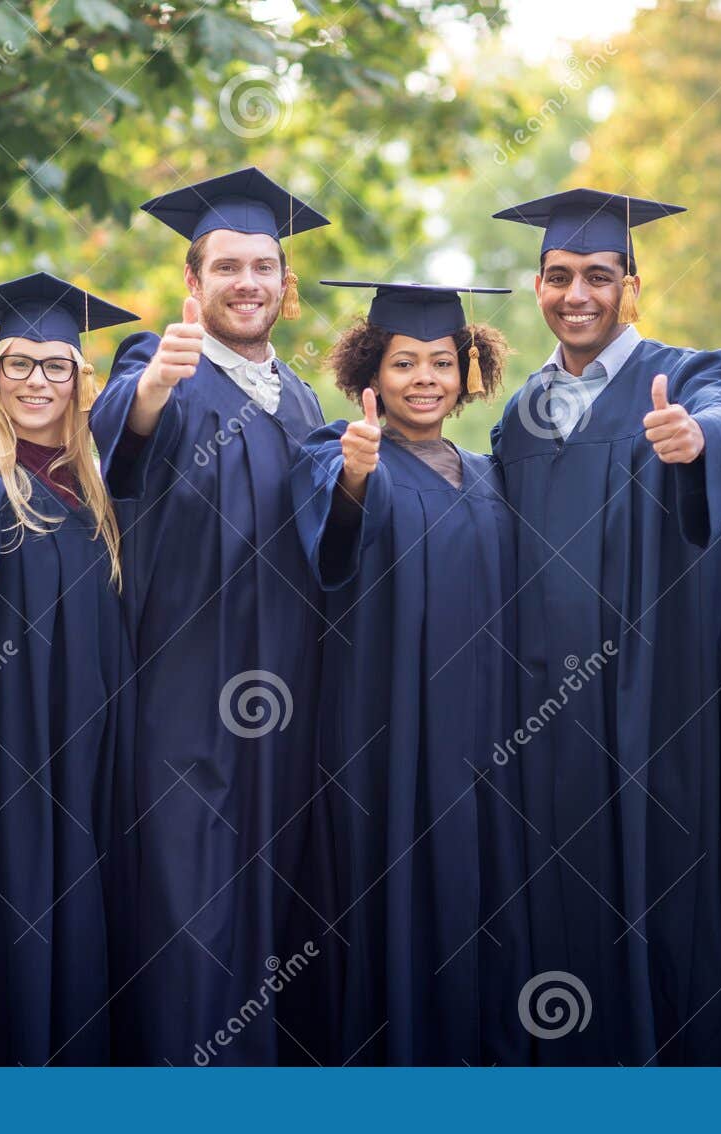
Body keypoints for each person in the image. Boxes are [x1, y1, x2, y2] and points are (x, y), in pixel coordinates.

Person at [489, 188, 721, 1064]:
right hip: (543, 717)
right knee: (556, 903)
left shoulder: (688, 376)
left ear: (631, 284)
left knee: (657, 897)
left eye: (599, 275)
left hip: (652, 707)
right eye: (560, 276)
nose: (579, 294)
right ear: (536, 287)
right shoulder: (518, 418)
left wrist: (691, 439)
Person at [87, 168, 334, 1065]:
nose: (247, 283)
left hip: (286, 703)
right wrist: (152, 386)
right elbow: (118, 435)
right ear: (193, 284)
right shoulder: (164, 365)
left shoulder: (303, 401)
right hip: (184, 699)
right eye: (226, 266)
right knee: (188, 909)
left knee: (271, 907)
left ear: (285, 285)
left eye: (263, 266)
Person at [290, 280, 532, 1064]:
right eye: (403, 363)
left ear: (469, 370)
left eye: (440, 360)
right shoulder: (337, 448)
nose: (424, 377)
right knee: (390, 897)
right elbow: (329, 545)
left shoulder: (493, 472)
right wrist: (358, 474)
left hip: (486, 734)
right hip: (384, 728)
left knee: (480, 895)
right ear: (372, 373)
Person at [0, 273, 139, 1064]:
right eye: (19, 363)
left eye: (56, 366)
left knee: (82, 895)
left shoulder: (101, 484)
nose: (37, 380)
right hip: (1, 740)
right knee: (8, 896)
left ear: (81, 381)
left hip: (88, 736)